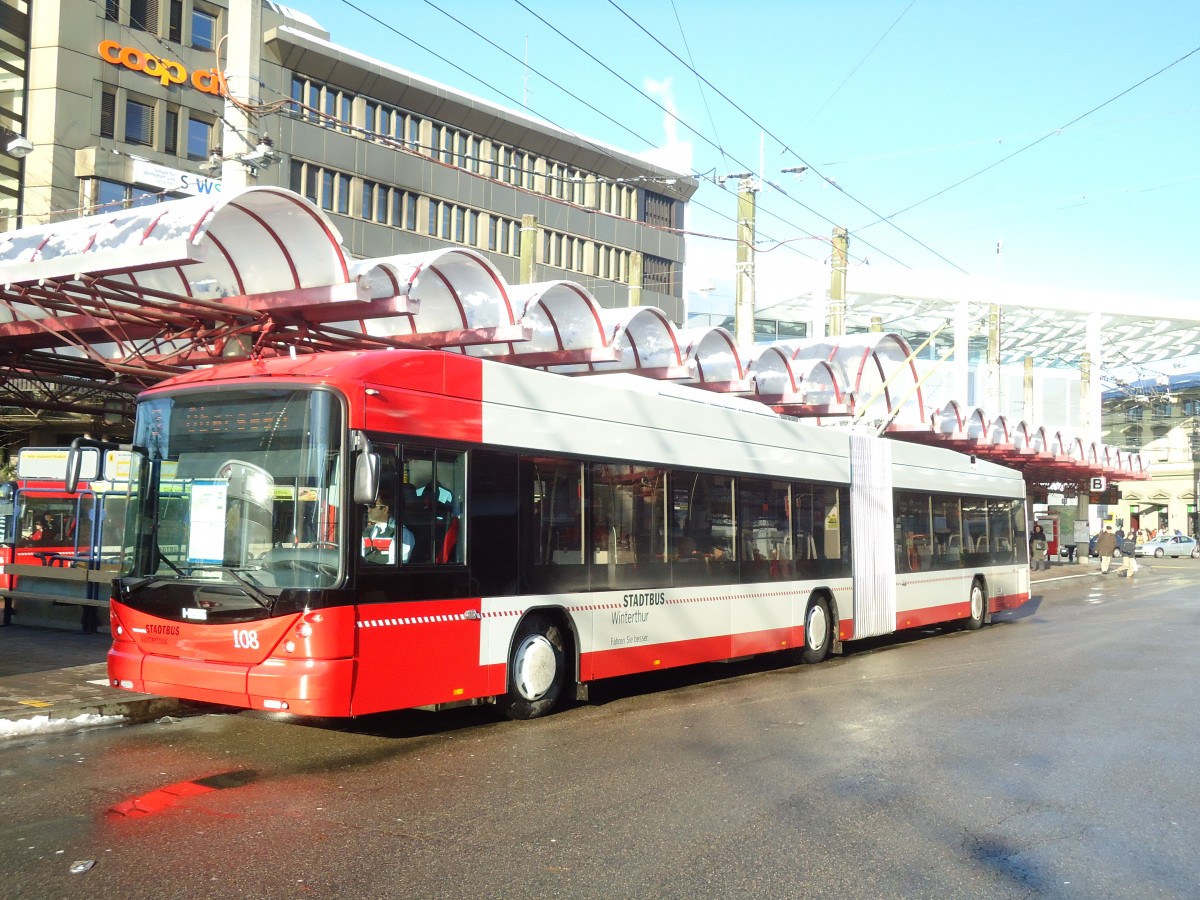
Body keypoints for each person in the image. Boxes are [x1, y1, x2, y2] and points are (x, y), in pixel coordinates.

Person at [362, 499, 414, 565]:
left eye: (372, 506)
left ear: (385, 509)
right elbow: (361, 558)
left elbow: (394, 567)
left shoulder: (401, 533)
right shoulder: (367, 532)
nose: (368, 510)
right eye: (367, 507)